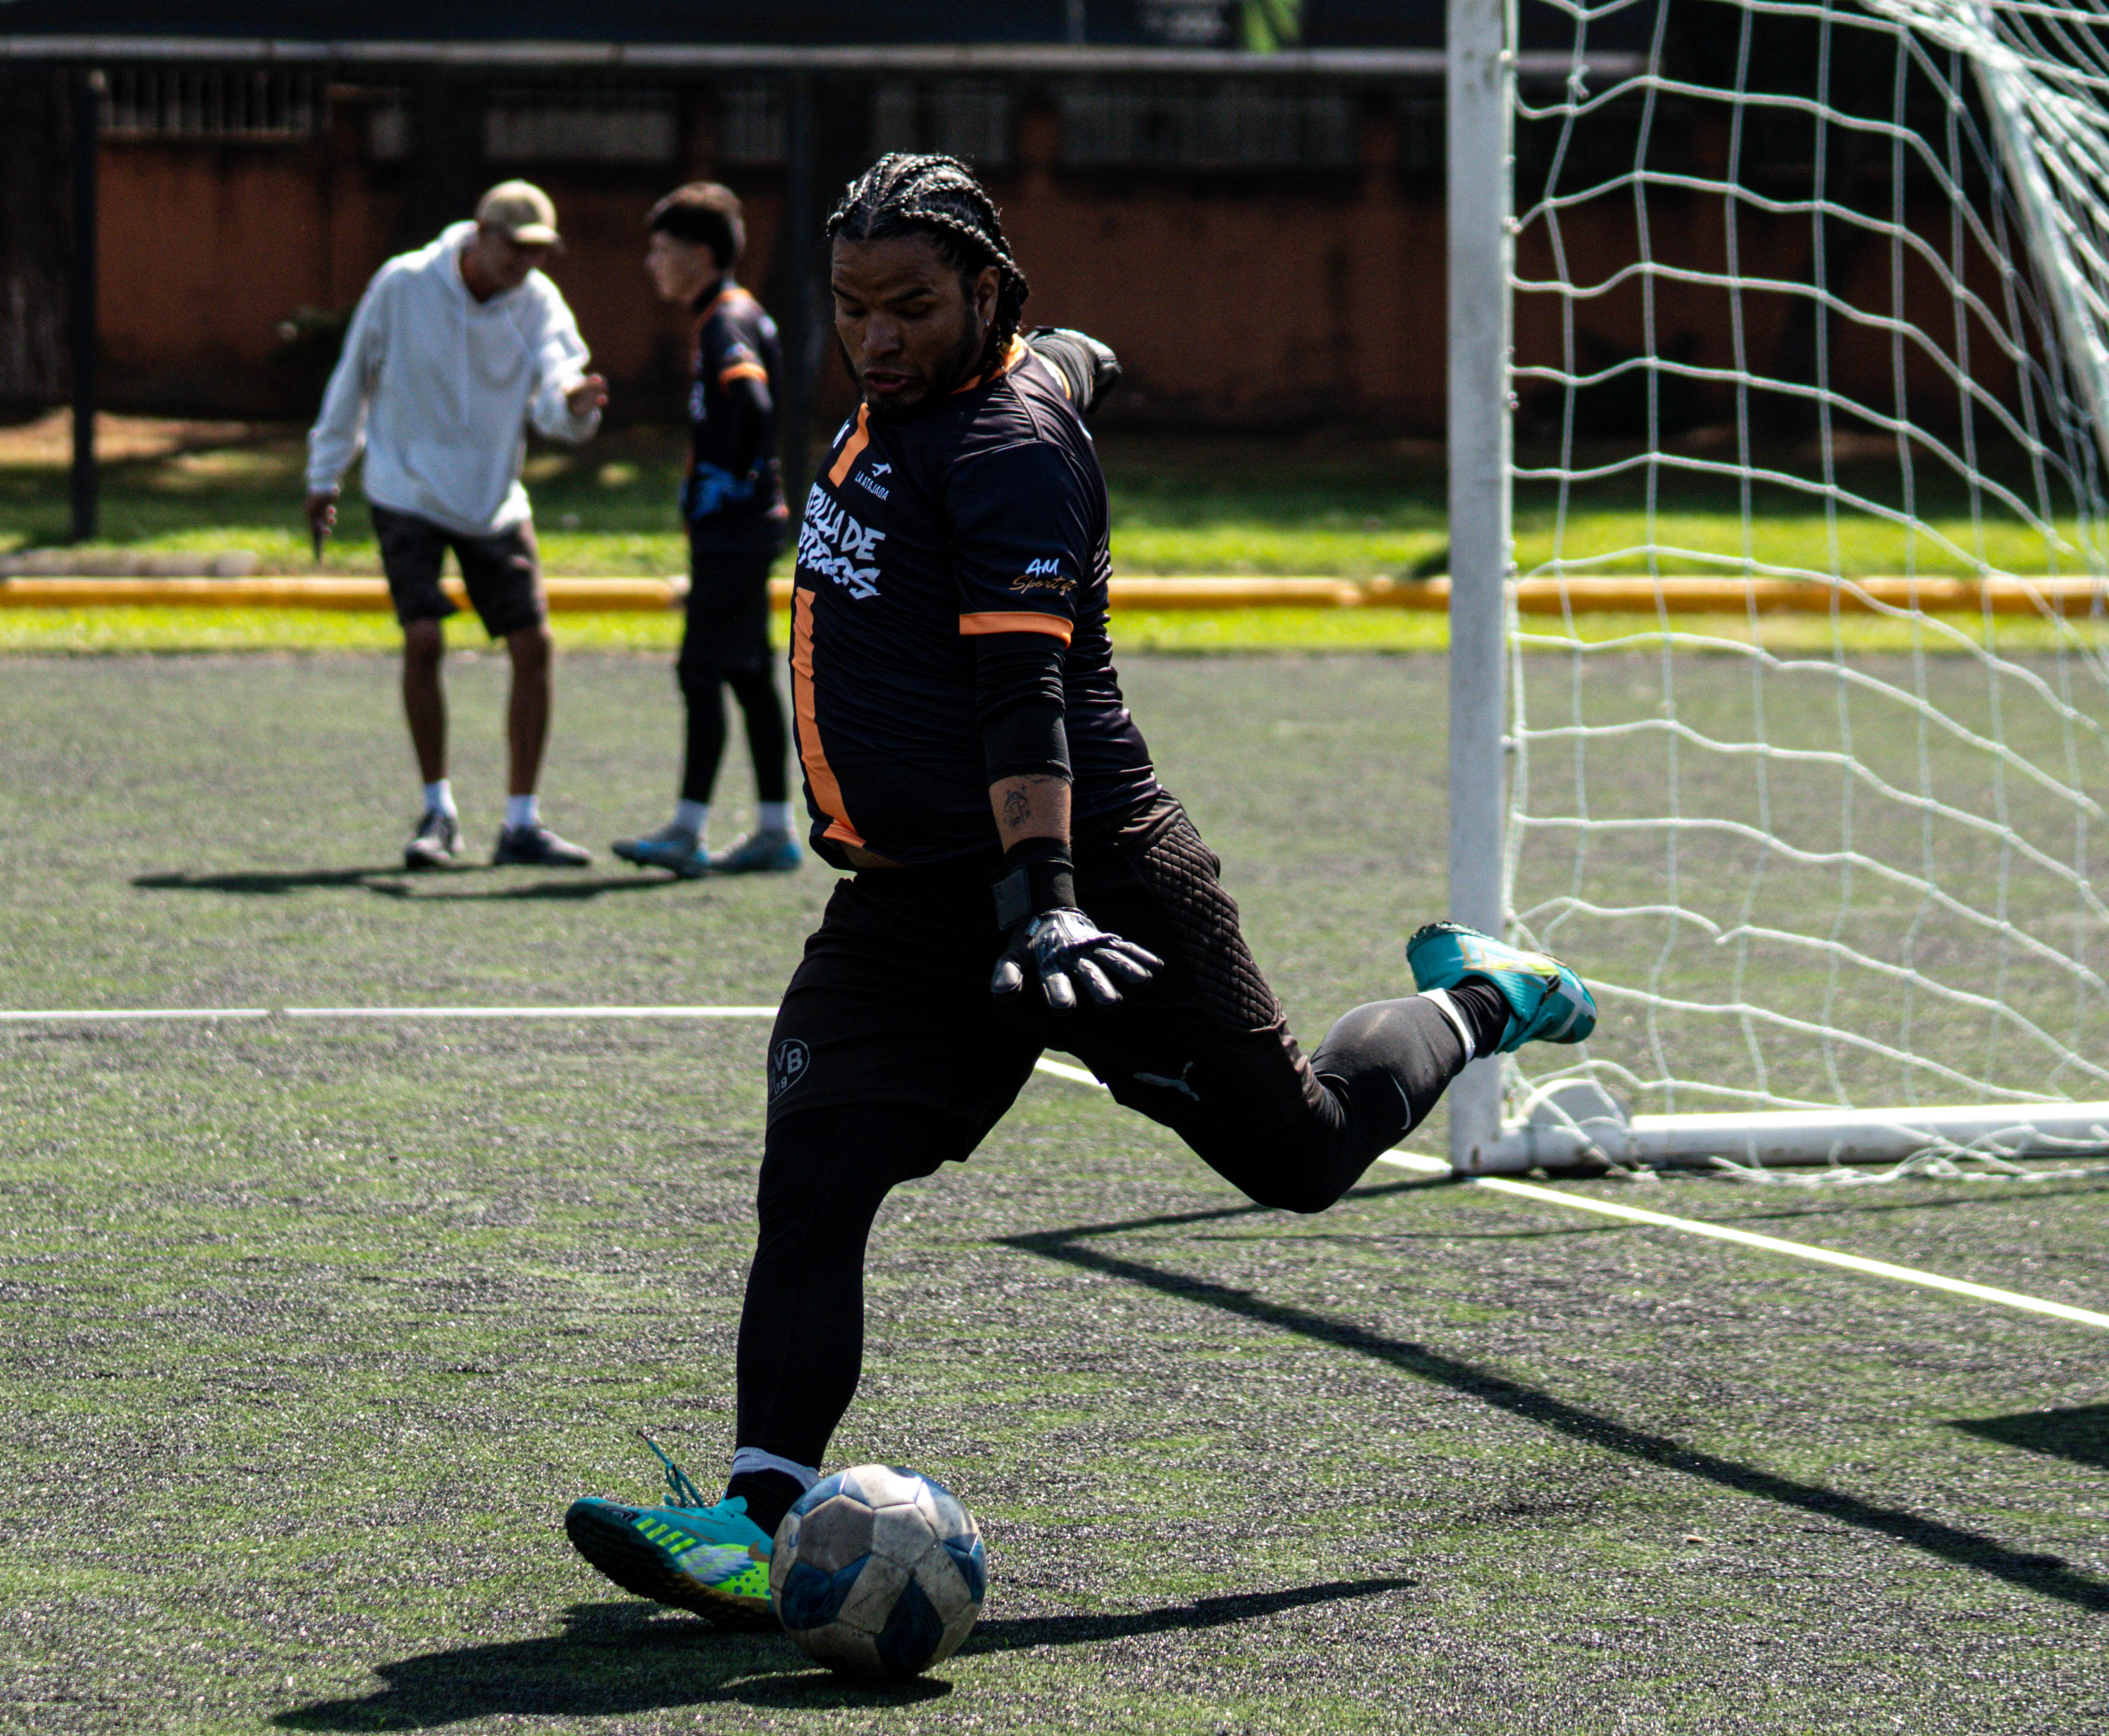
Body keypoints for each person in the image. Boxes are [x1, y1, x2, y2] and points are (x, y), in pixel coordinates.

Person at [560, 153, 1600, 1624]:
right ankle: (759, 1515)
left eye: (912, 309)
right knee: (814, 1176)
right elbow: (1068, 359)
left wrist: (1046, 897)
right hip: (908, 906)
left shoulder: (1002, 452)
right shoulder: (982, 375)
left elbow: (1023, 699)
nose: (875, 340)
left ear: (986, 291)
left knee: (1300, 1157)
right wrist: (1082, 353)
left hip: (1092, 892)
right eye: (853, 307)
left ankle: (1485, 995)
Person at [305, 181, 610, 869]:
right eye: (517, 248)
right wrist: (324, 476)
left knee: (534, 645)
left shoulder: (538, 303)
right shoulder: (404, 283)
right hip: (405, 488)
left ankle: (521, 823)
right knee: (423, 638)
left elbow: (558, 395)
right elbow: (352, 378)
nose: (527, 263)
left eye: (539, 252)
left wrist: (576, 407)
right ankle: (437, 811)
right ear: (480, 233)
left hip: (491, 499)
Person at [612, 181, 802, 879]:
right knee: (748, 672)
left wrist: (735, 480)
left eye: (661, 250)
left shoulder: (726, 322)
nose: (651, 264)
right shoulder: (727, 315)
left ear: (699, 254)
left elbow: (753, 404)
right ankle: (775, 832)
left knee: (701, 671)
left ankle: (688, 832)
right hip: (744, 528)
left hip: (735, 531)